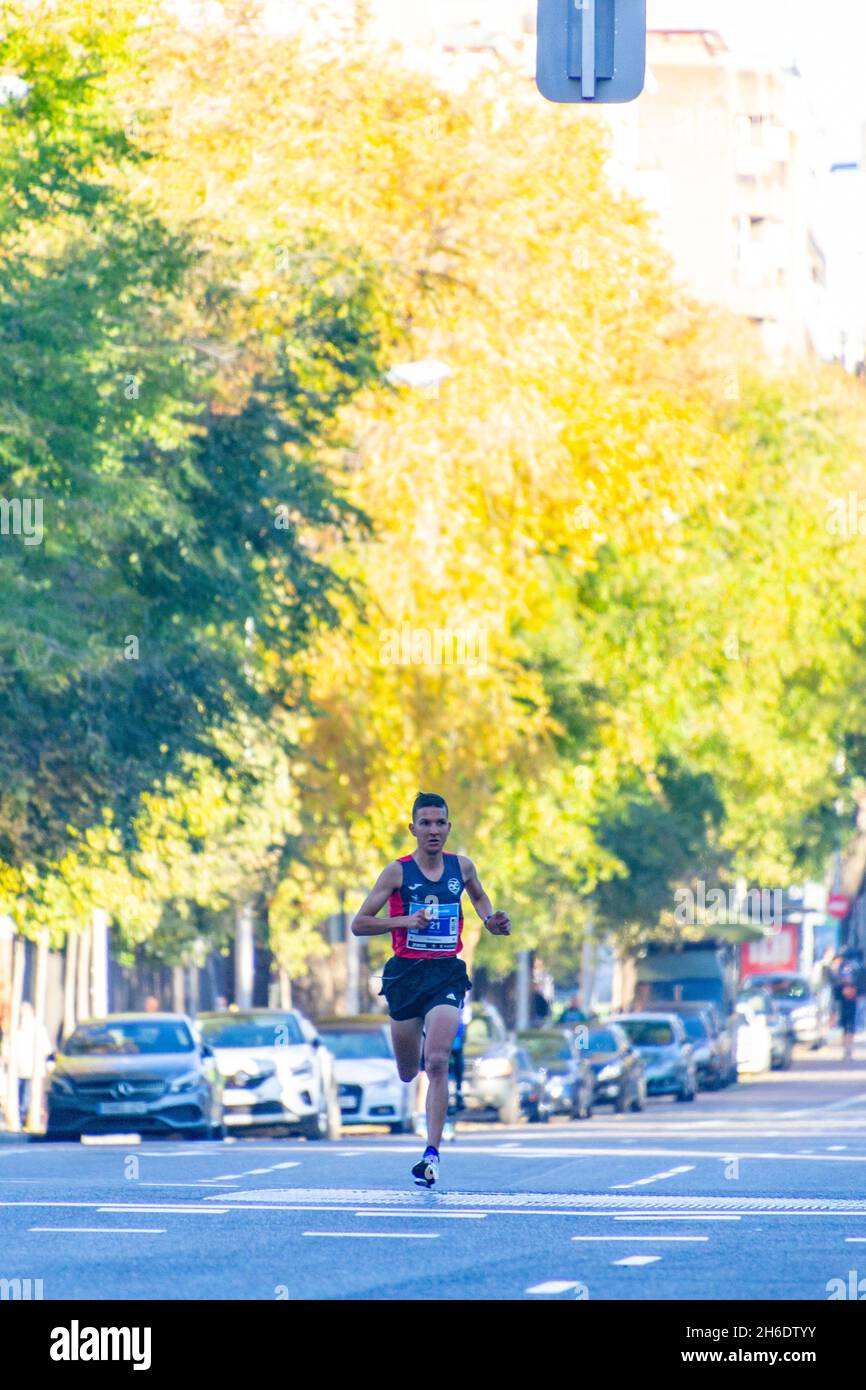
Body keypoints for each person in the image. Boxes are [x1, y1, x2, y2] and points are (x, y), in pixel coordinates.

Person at [351, 793, 511, 1187]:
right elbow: (359, 923)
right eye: (425, 823)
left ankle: (431, 1154)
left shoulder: (463, 867)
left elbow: (477, 895)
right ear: (413, 829)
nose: (433, 830)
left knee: (437, 1060)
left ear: (449, 827)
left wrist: (490, 920)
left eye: (440, 823)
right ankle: (417, 1057)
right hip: (405, 977)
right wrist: (405, 920)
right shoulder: (397, 873)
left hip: (446, 974)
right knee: (410, 1071)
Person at [15, 1002, 53, 1128]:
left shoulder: (19, 1028)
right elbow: (47, 1048)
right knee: (29, 1094)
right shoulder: (36, 1028)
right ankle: (27, 1116)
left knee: (26, 1094)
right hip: (26, 1069)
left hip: (25, 1069)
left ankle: (25, 1116)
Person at [833, 952, 860, 1061]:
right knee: (849, 1027)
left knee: (847, 1028)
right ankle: (848, 1051)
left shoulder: (840, 972)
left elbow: (837, 990)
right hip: (850, 1003)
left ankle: (847, 1051)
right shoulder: (855, 971)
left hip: (846, 1003)